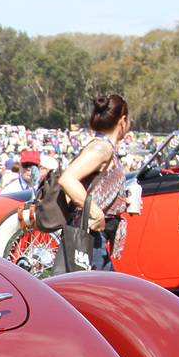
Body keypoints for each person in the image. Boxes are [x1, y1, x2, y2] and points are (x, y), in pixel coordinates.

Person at [59, 95, 132, 271]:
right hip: (90, 237)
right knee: (100, 295)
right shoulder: (102, 149)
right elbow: (67, 179)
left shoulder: (105, 148)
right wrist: (96, 213)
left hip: (96, 237)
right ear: (122, 121)